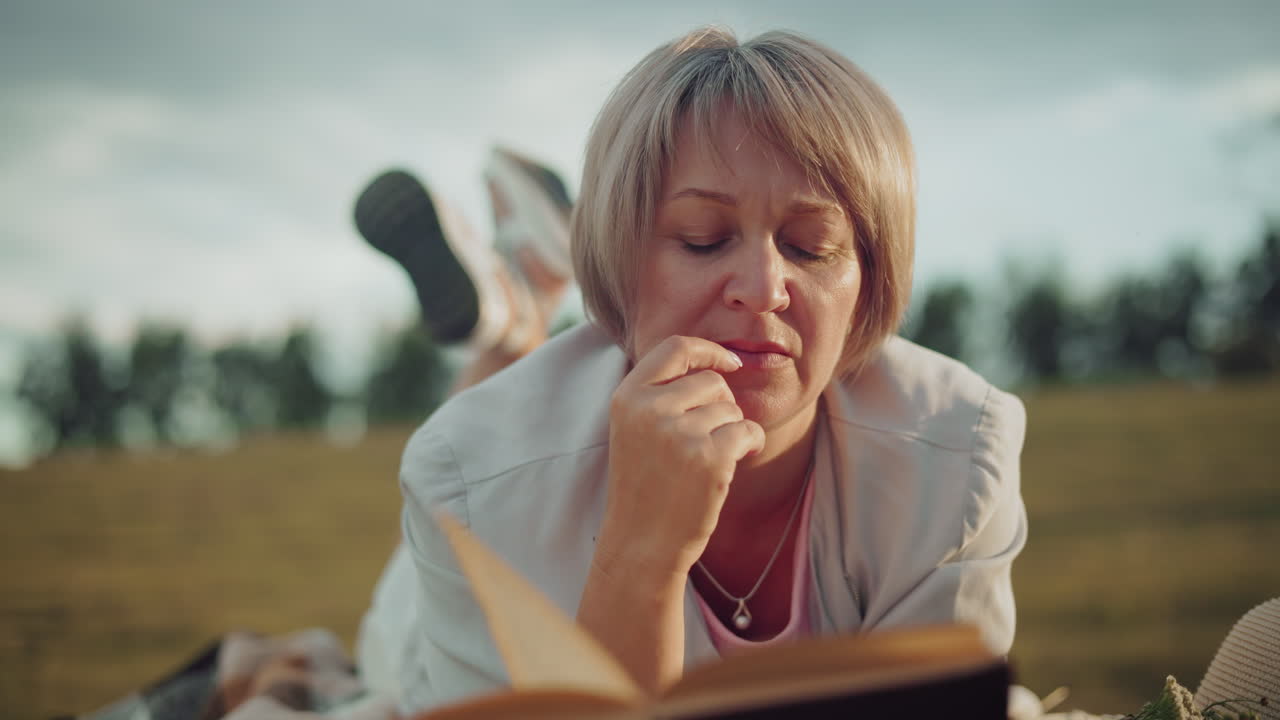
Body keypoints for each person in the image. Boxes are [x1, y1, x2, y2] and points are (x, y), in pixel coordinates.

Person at [390, 25, 1029, 716]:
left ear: (869, 283)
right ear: (618, 261)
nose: (761, 287)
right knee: (381, 650)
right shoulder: (471, 484)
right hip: (419, 632)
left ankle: (521, 301)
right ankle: (518, 311)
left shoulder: (957, 454)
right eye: (703, 240)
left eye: (811, 248)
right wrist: (640, 554)